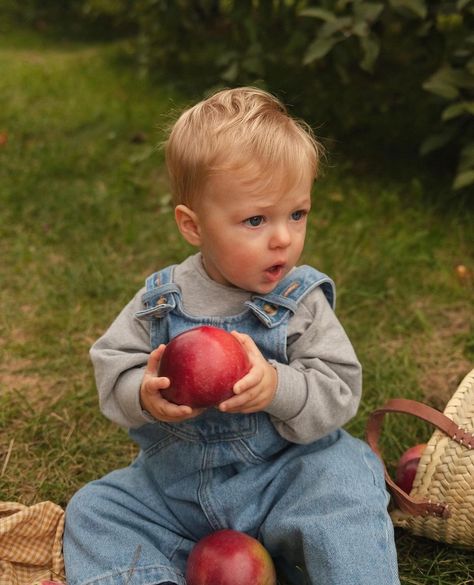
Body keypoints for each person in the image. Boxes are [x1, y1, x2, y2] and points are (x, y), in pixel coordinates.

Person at [63, 87, 400, 585]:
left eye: (297, 214)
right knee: (95, 510)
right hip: (177, 490)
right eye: (256, 219)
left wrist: (278, 387)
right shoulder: (160, 302)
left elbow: (340, 389)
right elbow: (111, 365)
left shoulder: (299, 302)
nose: (283, 237)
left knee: (344, 480)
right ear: (193, 226)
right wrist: (144, 392)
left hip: (285, 478)